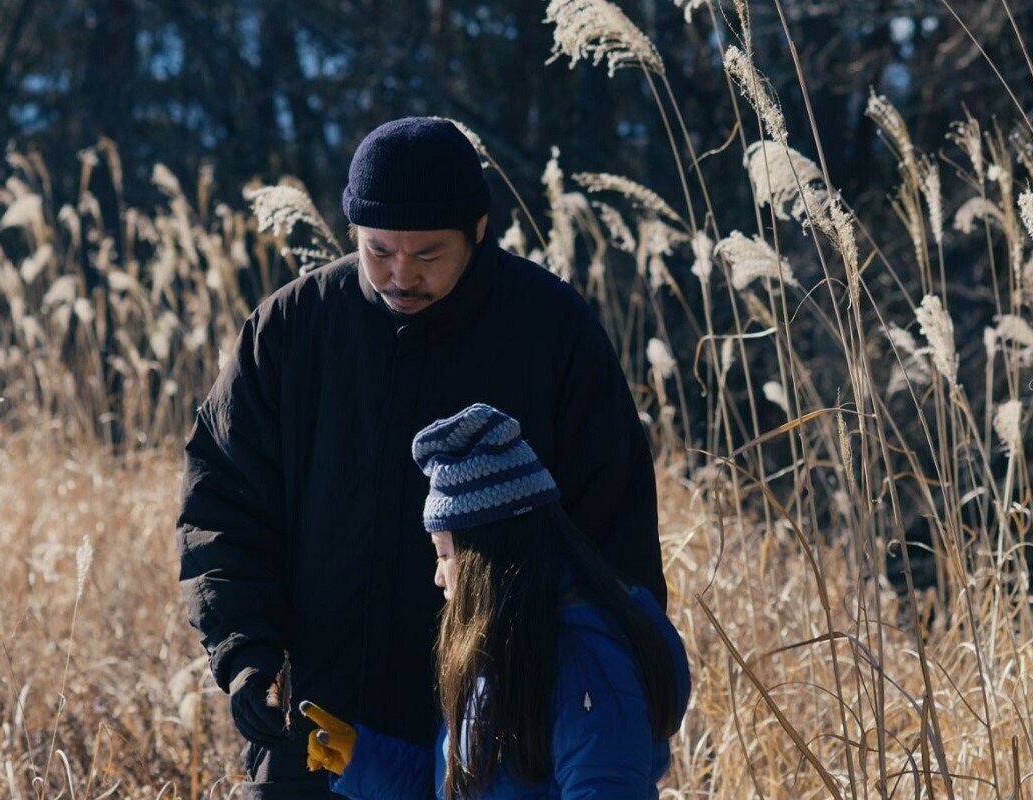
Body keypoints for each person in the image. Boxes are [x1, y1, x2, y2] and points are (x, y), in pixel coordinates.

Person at [176, 117, 664, 798]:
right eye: (378, 250)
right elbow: (222, 511)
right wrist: (248, 656)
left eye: (429, 253)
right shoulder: (291, 330)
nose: (401, 273)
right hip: (319, 734)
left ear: (480, 229)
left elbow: (612, 543)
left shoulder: (553, 333)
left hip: (496, 736)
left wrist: (591, 692)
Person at [300, 403, 690, 799]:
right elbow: (466, 789)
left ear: (483, 557)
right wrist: (364, 762)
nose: (438, 575)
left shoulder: (587, 662)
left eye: (445, 554)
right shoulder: (510, 649)